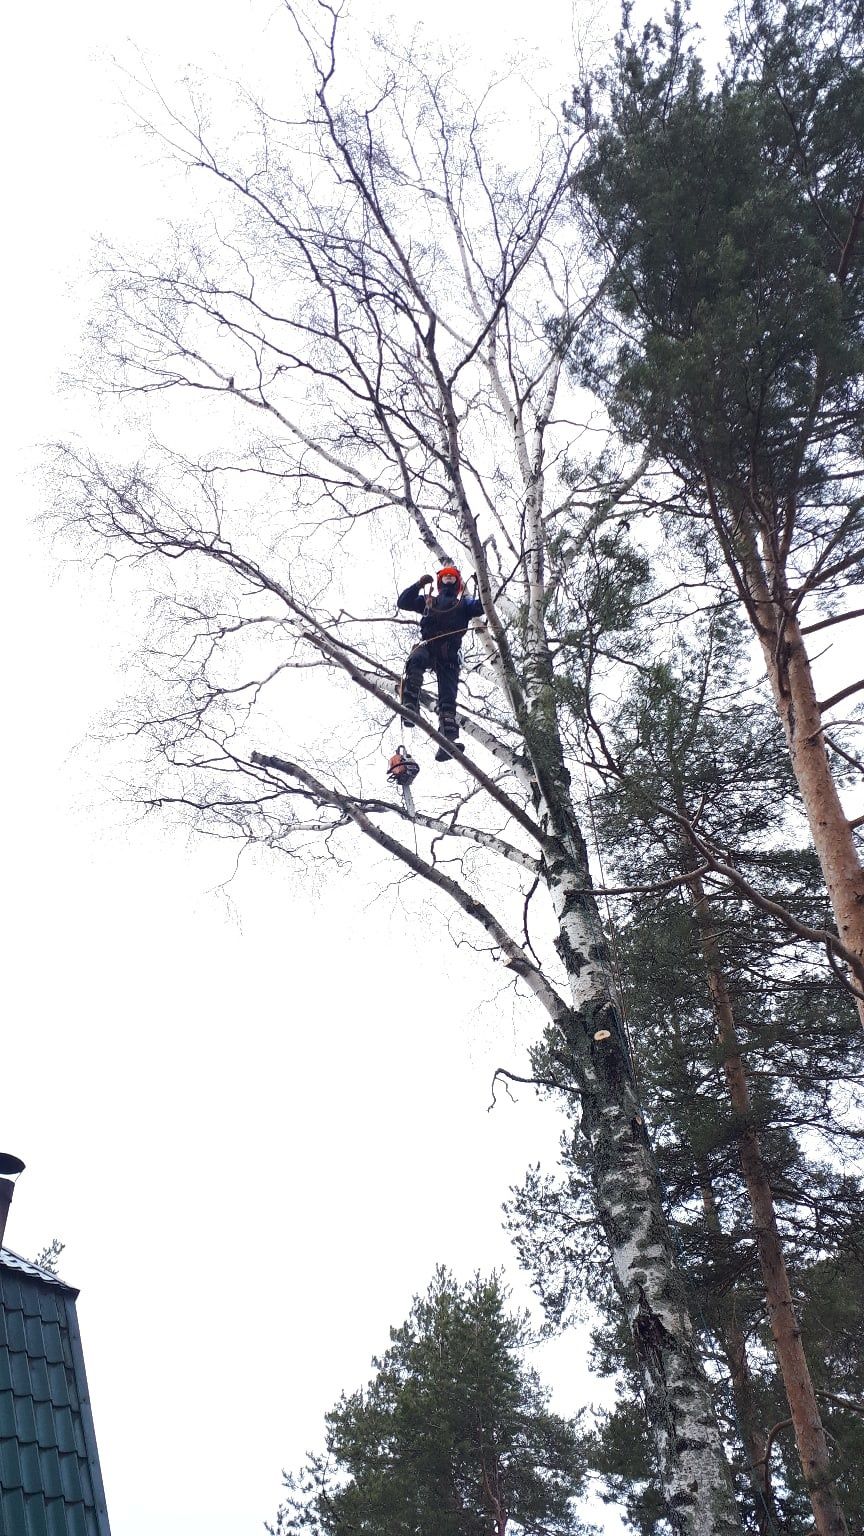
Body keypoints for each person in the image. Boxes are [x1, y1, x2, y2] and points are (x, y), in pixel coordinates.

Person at [397, 564, 483, 760]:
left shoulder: (464, 604)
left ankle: (447, 740)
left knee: (448, 696)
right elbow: (403, 602)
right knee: (416, 660)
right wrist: (418, 584)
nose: (449, 578)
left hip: (449, 653)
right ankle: (410, 705)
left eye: (453, 576)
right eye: (446, 576)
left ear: (458, 582)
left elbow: (481, 607)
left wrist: (483, 588)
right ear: (439, 581)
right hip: (429, 644)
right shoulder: (429, 601)